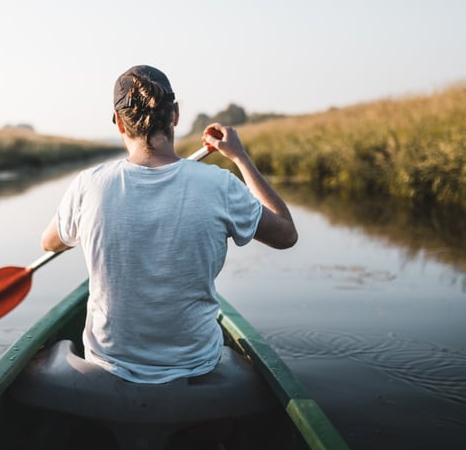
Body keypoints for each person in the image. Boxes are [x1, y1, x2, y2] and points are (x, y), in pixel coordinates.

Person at [41, 65, 297, 384]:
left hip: (107, 367)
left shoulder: (88, 185)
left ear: (119, 122)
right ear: (175, 114)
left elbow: (50, 243)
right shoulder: (220, 185)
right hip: (197, 365)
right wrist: (241, 158)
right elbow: (286, 235)